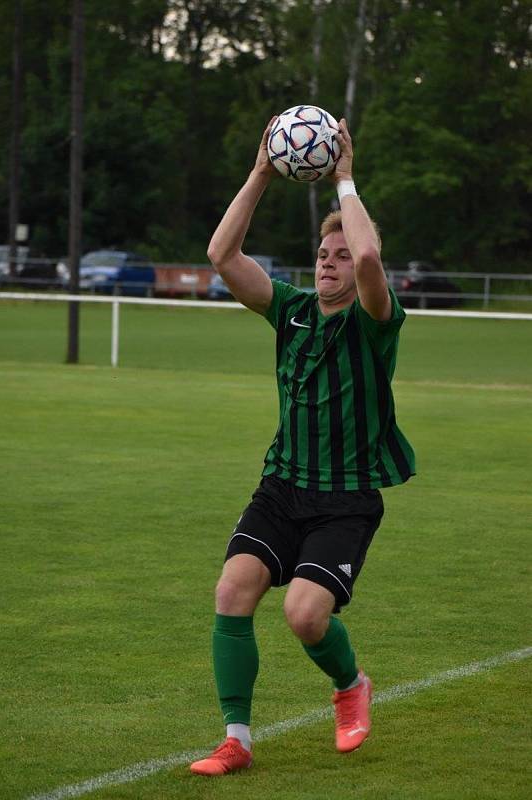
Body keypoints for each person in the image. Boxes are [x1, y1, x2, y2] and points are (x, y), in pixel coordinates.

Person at [190, 116, 415, 776]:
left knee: (303, 615)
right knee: (232, 591)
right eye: (323, 253)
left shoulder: (375, 323)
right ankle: (236, 739)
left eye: (339, 256)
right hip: (282, 486)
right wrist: (261, 171)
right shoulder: (287, 311)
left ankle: (350, 687)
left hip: (344, 500)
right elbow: (221, 257)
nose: (329, 261)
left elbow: (371, 258)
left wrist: (344, 178)